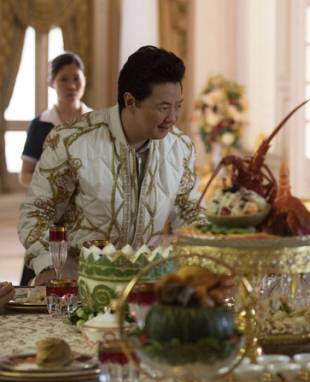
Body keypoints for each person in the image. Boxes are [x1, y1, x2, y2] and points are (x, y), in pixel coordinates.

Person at [18, 46, 201, 286]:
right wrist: (48, 265)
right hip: (80, 286)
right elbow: (36, 213)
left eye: (178, 105)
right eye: (163, 108)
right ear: (130, 101)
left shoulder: (180, 148)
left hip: (145, 289)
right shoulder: (71, 141)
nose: (173, 118)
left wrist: (214, 252)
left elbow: (191, 213)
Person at [20, 52, 92, 187]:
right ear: (51, 83)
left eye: (76, 78)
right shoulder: (40, 124)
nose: (71, 86)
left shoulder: (98, 122)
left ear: (85, 80)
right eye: (64, 79)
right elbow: (25, 175)